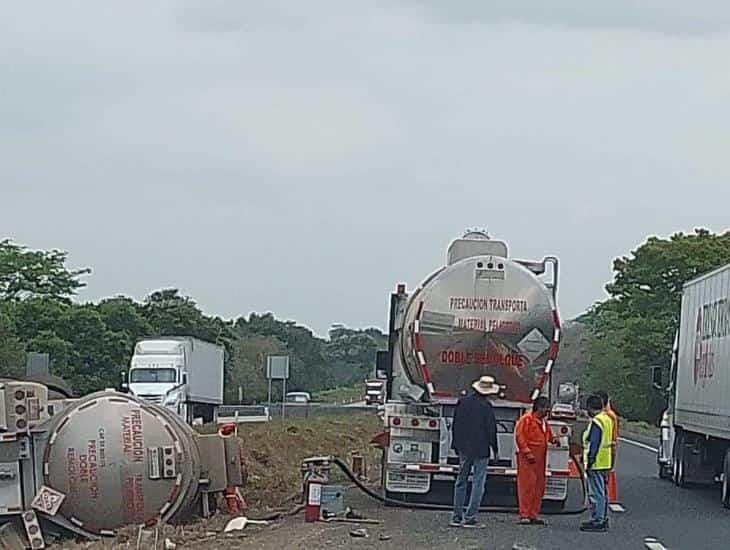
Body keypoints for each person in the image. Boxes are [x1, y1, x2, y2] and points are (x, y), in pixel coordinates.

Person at [450, 375, 500, 528]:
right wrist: (495, 450)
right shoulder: (487, 407)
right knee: (478, 483)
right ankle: (470, 517)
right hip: (481, 449)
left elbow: (455, 425)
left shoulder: (462, 403)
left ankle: (456, 516)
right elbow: (491, 430)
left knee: (461, 481)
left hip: (464, 448)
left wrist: (456, 445)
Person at [515, 396, 560, 525]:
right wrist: (527, 452)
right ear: (538, 408)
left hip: (541, 458)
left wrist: (554, 440)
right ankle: (525, 514)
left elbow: (548, 434)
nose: (547, 410)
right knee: (526, 485)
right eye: (545, 408)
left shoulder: (544, 422)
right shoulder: (526, 420)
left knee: (538, 486)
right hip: (528, 458)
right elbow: (519, 436)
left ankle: (533, 514)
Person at [580, 394, 614, 532]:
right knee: (603, 492)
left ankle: (597, 520)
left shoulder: (597, 421)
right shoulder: (608, 419)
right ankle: (602, 518)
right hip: (605, 461)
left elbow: (594, 442)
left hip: (596, 462)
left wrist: (590, 460)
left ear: (590, 408)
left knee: (596, 493)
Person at [596, 389, 619, 504]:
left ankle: (599, 517)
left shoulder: (600, 418)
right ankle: (601, 515)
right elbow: (614, 441)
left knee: (597, 489)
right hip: (606, 457)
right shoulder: (611, 416)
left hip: (598, 458)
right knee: (601, 487)